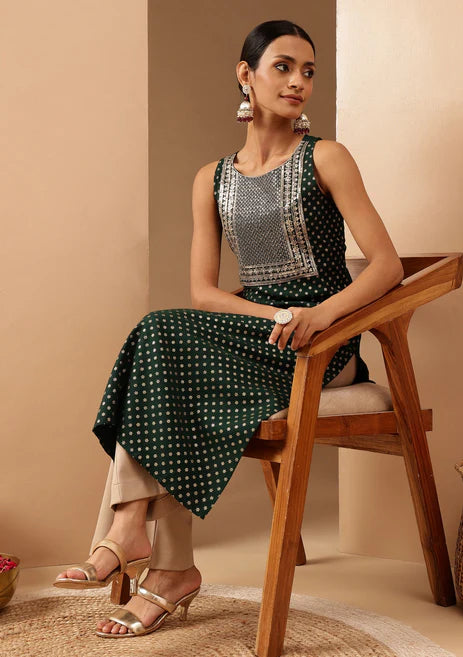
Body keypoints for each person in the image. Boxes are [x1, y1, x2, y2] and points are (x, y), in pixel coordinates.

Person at [53, 19, 404, 639]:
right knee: (163, 339)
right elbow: (205, 293)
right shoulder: (212, 178)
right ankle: (165, 563)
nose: (298, 82)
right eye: (282, 67)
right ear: (246, 75)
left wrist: (318, 315)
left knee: (162, 341)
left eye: (308, 71)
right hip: (260, 336)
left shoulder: (325, 157)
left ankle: (136, 536)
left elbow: (387, 266)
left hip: (325, 345)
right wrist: (274, 316)